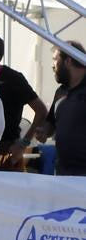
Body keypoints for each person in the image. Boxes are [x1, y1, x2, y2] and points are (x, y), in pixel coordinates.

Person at [0, 33, 47, 170]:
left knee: (3, 191)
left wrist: (23, 144)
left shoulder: (13, 79)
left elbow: (41, 111)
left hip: (5, 151)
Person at [35, 41, 86, 176]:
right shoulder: (60, 92)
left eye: (55, 60)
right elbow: (51, 123)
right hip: (62, 173)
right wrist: (44, 131)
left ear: (68, 61)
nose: (53, 65)